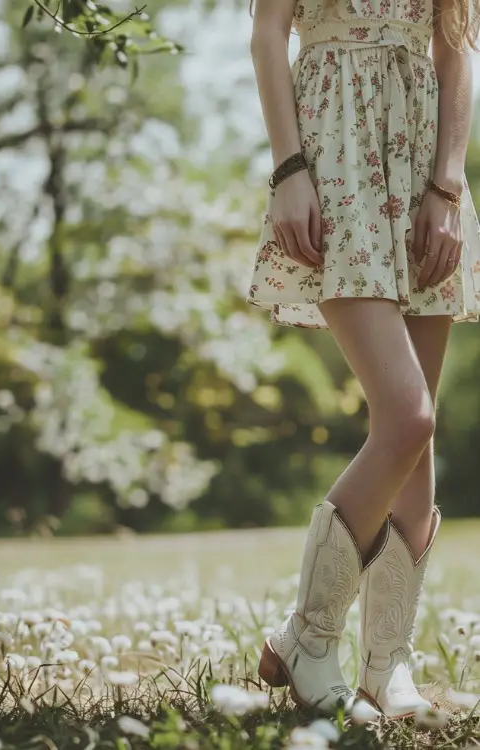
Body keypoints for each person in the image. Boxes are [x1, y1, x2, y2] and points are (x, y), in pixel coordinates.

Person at [247, 0, 480, 719]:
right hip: (334, 155)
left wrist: (446, 185)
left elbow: (457, 48)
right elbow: (266, 35)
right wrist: (289, 170)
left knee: (422, 432)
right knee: (405, 419)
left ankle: (389, 661)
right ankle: (309, 637)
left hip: (424, 175)